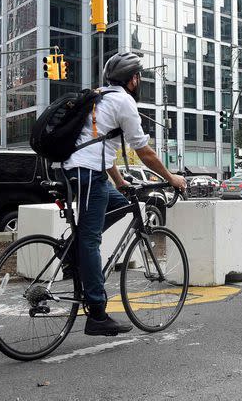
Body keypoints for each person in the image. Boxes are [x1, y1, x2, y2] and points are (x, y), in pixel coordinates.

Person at [63, 52, 187, 336]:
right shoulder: (123, 101)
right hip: (87, 173)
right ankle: (96, 314)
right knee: (91, 240)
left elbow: (99, 147)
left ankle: (73, 252)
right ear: (133, 79)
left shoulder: (99, 97)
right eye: (139, 76)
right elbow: (144, 151)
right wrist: (171, 178)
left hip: (77, 168)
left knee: (121, 203)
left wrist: (119, 182)